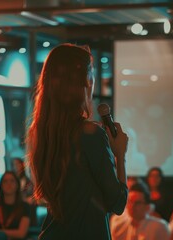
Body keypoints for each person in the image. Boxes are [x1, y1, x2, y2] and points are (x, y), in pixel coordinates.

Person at [26, 43, 129, 239]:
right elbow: (117, 202)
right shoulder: (89, 133)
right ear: (85, 81)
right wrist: (120, 154)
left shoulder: (39, 133)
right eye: (92, 74)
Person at [0, 171, 30, 240]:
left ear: (17, 185)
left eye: (12, 181)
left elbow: (21, 234)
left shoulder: (24, 206)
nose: (9, 184)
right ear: (1, 186)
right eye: (5, 181)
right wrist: (12, 233)